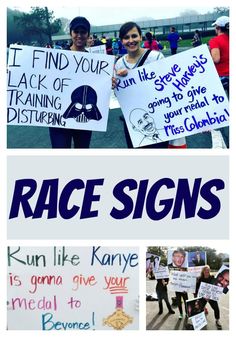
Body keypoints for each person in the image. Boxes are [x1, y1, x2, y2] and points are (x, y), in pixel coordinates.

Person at [114, 21, 168, 149]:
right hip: (133, 121)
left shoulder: (156, 57)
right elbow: (118, 95)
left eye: (134, 36)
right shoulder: (119, 64)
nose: (130, 40)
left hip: (157, 117)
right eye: (126, 37)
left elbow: (169, 87)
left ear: (141, 37)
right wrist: (115, 83)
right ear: (122, 41)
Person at [49, 16, 93, 148]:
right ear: (70, 33)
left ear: (88, 35)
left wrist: (110, 82)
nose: (79, 35)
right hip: (59, 119)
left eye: (83, 32)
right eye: (76, 31)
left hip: (83, 119)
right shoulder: (56, 58)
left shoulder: (95, 62)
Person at [209, 16, 229, 148]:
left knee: (217, 107)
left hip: (222, 76)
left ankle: (218, 138)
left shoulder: (215, 40)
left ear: (217, 28)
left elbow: (215, 59)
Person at [195, 265, 222, 329]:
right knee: (200, 308)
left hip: (211, 297)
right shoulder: (199, 278)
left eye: (208, 270)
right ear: (203, 271)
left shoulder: (212, 277)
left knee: (216, 308)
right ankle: (200, 321)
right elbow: (197, 288)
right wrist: (198, 296)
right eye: (205, 270)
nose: (207, 271)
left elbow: (216, 286)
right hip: (203, 297)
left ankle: (217, 320)